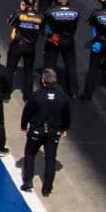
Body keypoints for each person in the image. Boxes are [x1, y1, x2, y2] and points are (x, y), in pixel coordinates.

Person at [19, 68, 72, 196]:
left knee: (30, 153)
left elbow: (27, 112)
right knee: (50, 159)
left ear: (43, 81)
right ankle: (47, 188)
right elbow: (67, 116)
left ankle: (27, 181)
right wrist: (64, 129)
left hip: (37, 130)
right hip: (54, 132)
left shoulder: (36, 96)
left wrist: (24, 125)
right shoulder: (62, 97)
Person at [41, 0, 81, 96]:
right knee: (71, 66)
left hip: (54, 40)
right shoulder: (76, 12)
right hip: (68, 40)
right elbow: (75, 26)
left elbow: (43, 24)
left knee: (49, 64)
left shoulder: (50, 11)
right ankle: (74, 91)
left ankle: (47, 88)